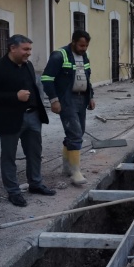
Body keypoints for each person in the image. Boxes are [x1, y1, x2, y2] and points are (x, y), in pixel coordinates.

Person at [0, 34, 55, 207]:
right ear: (12, 48)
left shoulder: (28, 65)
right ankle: (13, 192)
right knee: (9, 156)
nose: (29, 53)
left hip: (32, 117)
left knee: (35, 153)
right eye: (25, 49)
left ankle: (35, 184)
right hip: (9, 119)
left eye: (30, 49)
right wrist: (15, 96)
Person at [41, 30, 95, 186]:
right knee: (75, 134)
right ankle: (75, 172)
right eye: (81, 45)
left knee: (78, 132)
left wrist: (91, 96)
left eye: (86, 45)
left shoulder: (84, 55)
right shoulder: (59, 56)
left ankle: (67, 168)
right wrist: (54, 100)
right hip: (66, 99)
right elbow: (46, 78)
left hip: (82, 98)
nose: (84, 48)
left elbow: (87, 77)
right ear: (73, 42)